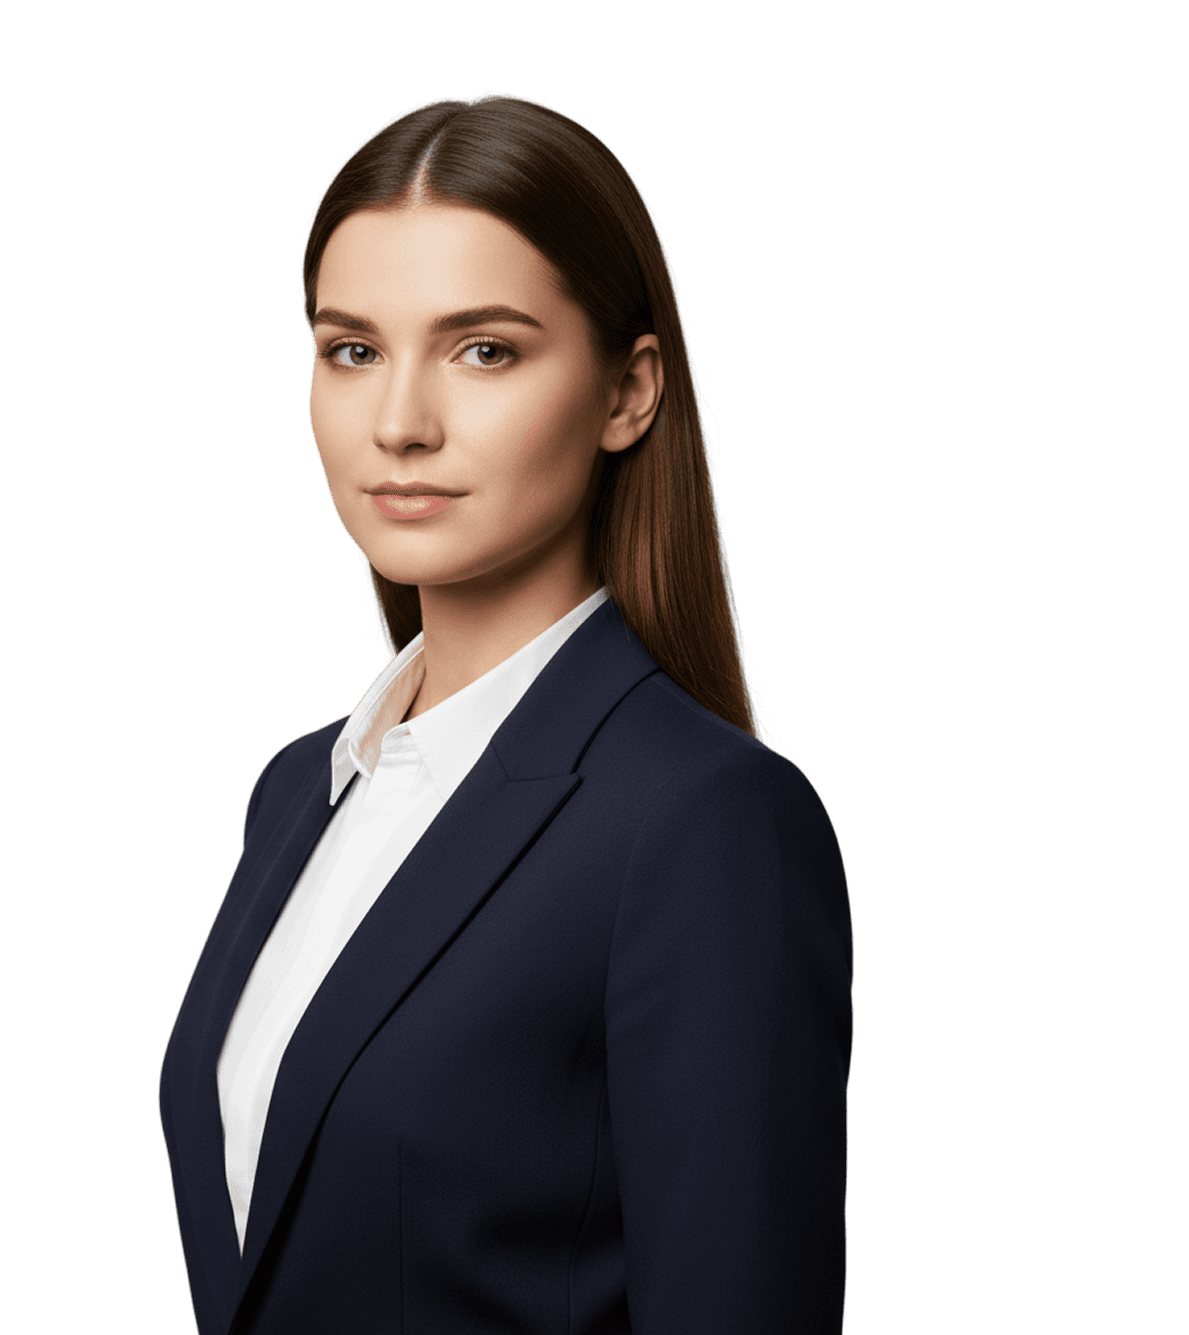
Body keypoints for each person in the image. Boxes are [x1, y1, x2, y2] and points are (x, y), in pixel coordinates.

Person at [159, 92, 853, 1335]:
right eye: (352, 351)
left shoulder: (705, 823)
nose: (400, 425)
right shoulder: (300, 788)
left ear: (628, 392)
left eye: (484, 350)